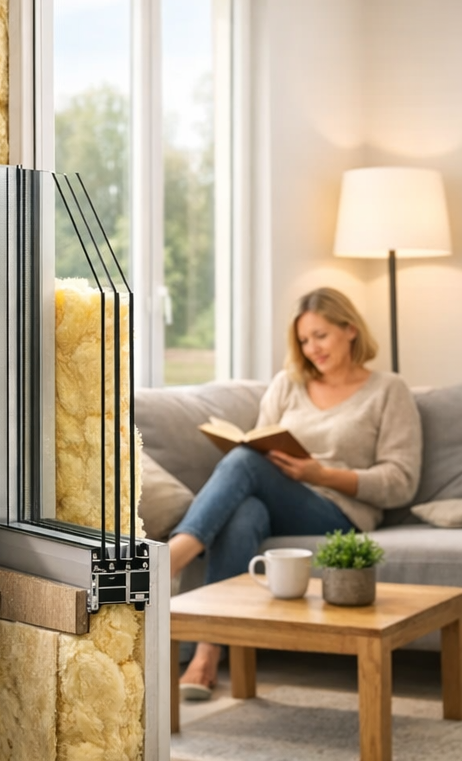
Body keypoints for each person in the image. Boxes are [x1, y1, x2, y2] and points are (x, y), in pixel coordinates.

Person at [169, 287, 421, 699]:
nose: (311, 349)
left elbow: (400, 480)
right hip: (276, 500)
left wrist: (320, 474)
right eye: (304, 340)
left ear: (350, 330)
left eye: (320, 336)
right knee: (245, 509)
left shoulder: (389, 390)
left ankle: (172, 559)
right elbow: (259, 444)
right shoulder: (288, 384)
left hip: (339, 511)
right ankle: (208, 652)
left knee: (243, 465)